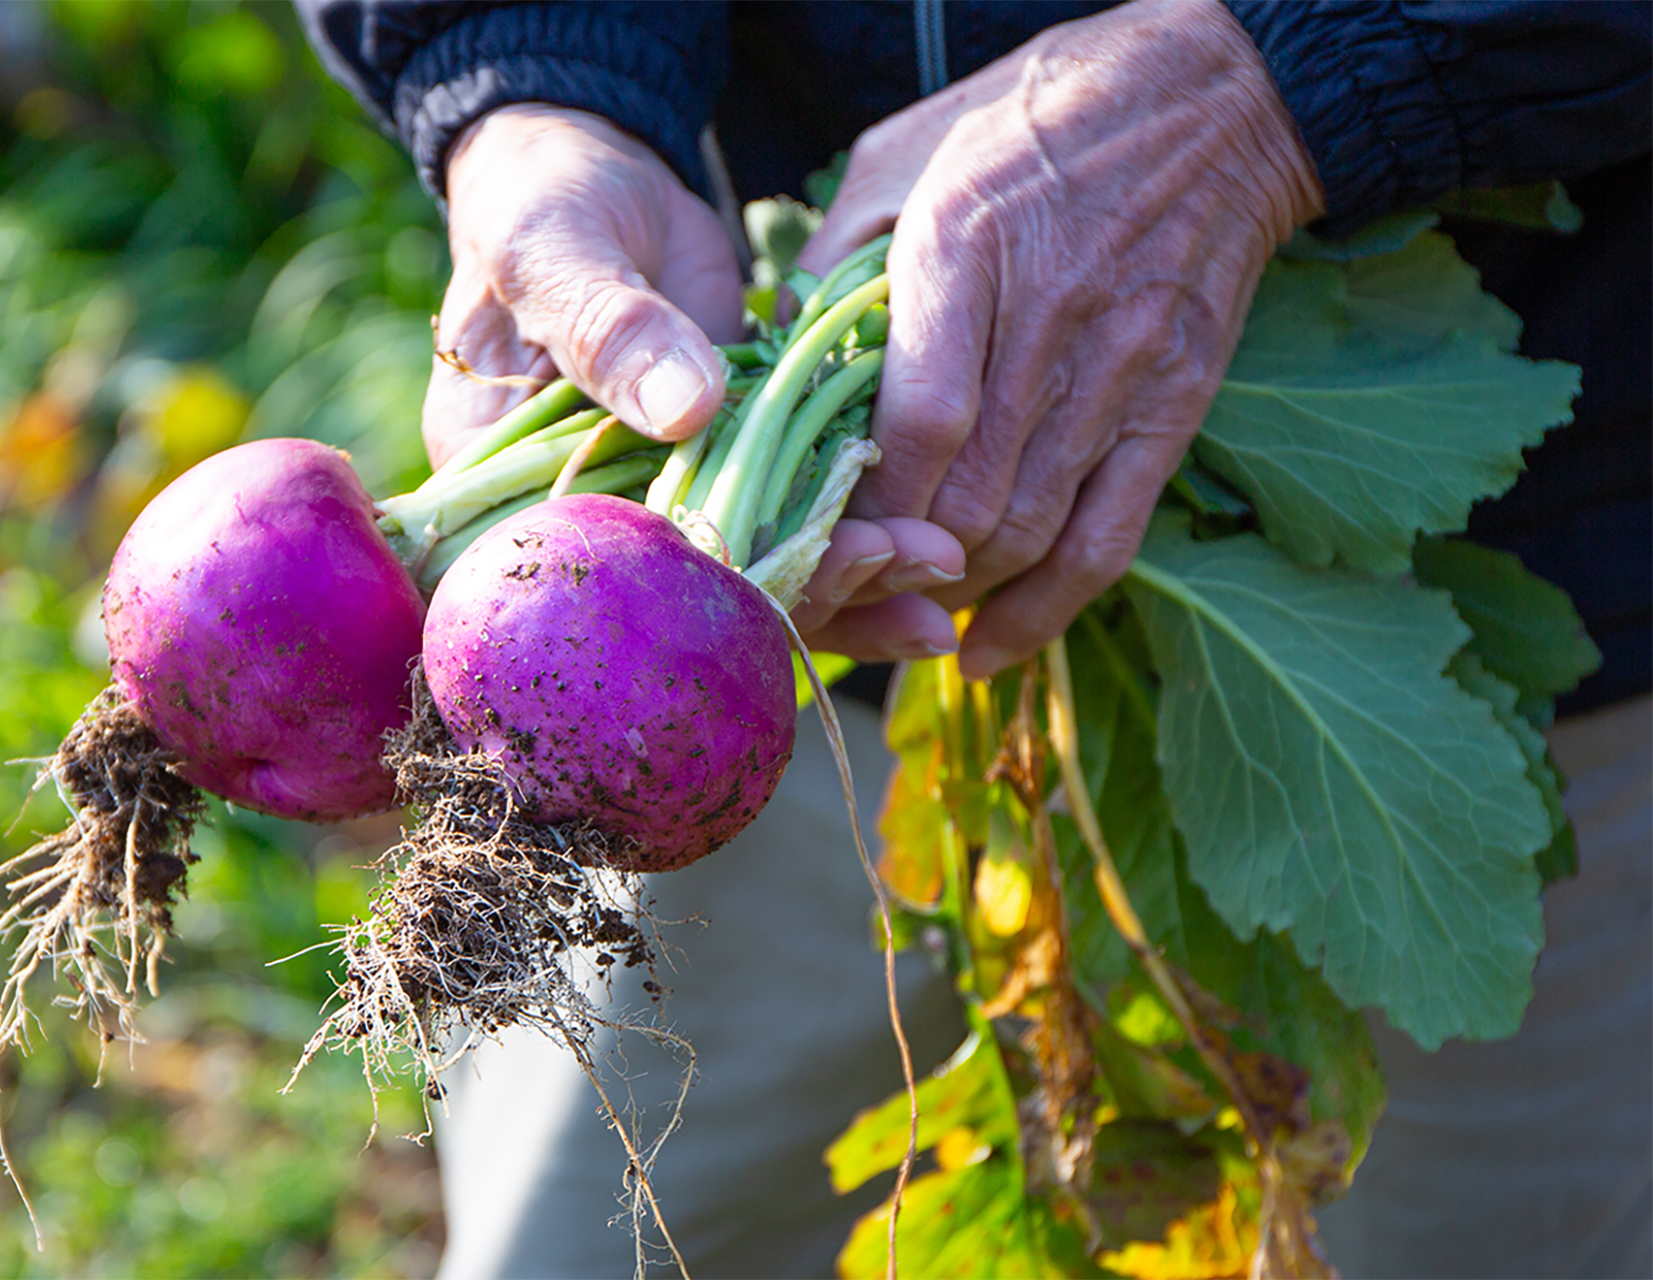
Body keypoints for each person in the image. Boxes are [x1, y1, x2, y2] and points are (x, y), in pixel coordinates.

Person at [297, 2, 1652, 1276]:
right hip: (773, 682)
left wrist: (1293, 76)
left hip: (1525, 593)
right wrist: (531, 73)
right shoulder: (651, 695)